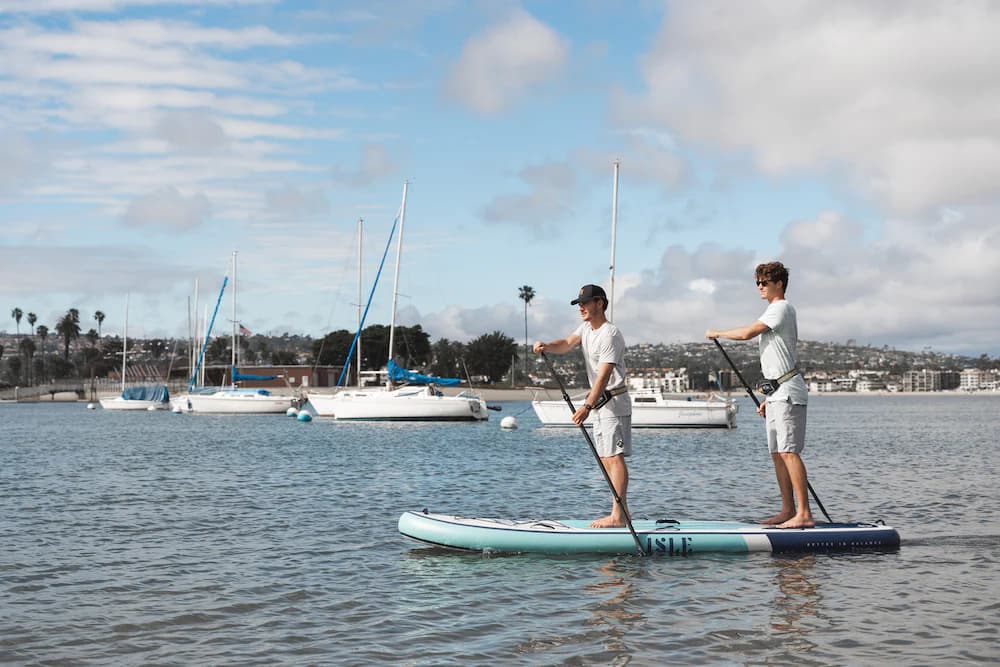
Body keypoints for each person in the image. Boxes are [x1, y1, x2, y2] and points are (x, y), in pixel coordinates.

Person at [705, 261, 814, 529]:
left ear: (779, 283)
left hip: (789, 393)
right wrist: (769, 397)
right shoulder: (773, 311)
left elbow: (746, 333)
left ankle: (804, 514)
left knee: (789, 452)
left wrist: (718, 332)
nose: (760, 287)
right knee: (777, 453)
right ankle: (788, 510)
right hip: (778, 392)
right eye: (758, 283)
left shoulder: (781, 309)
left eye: (765, 282)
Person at [533, 284, 632, 528]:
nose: (581, 307)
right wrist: (547, 346)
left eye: (585, 303)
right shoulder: (586, 329)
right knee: (606, 458)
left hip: (613, 403)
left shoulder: (610, 334)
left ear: (600, 303)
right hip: (600, 404)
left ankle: (618, 516)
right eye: (579, 303)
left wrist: (586, 406)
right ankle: (621, 515)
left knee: (614, 458)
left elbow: (604, 375)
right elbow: (566, 343)